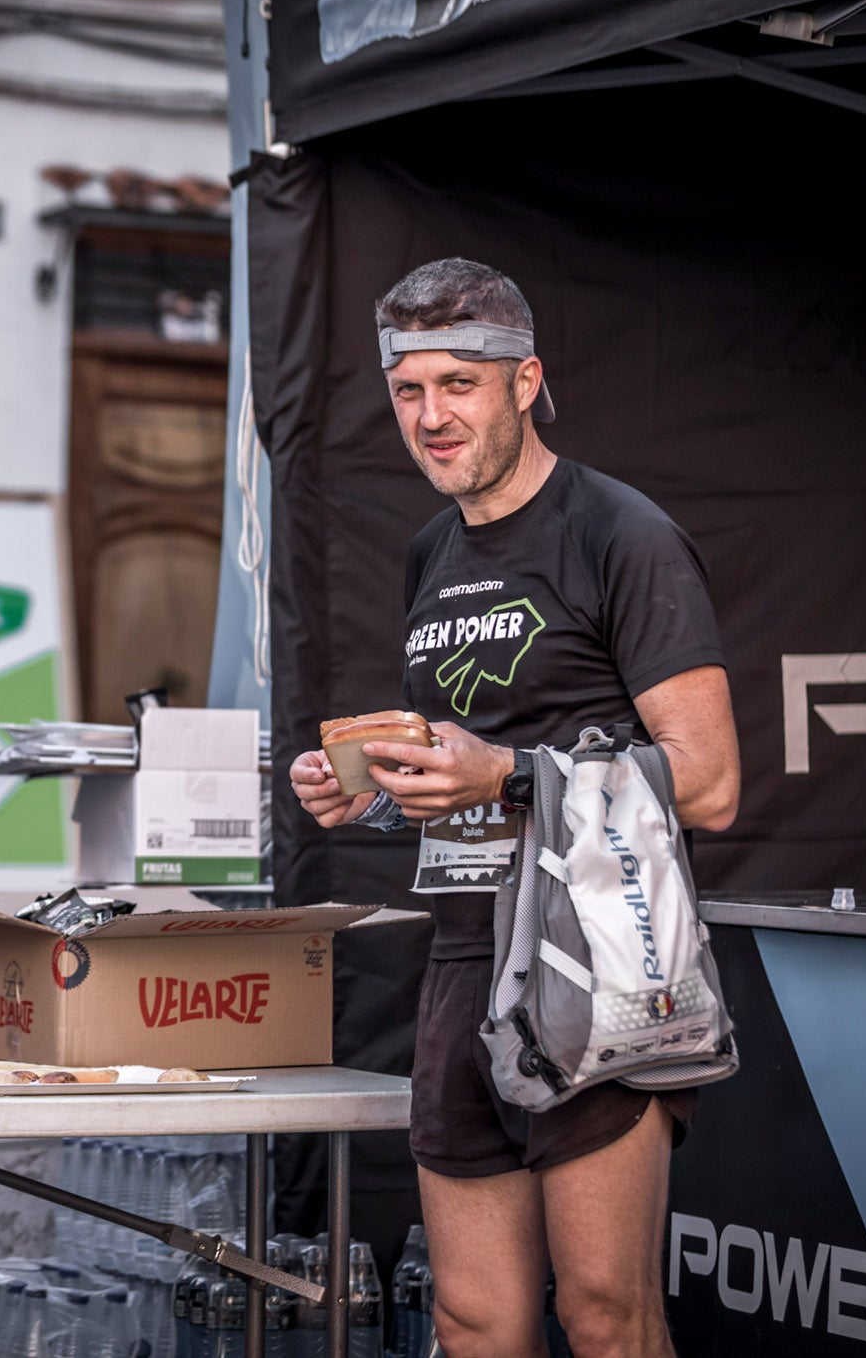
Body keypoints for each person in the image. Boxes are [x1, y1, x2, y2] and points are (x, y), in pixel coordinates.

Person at [288, 258, 739, 1358]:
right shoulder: (428, 554)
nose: (431, 417)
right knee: (472, 1318)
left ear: (523, 380)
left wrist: (504, 774)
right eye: (408, 391)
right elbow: (471, 775)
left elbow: (712, 783)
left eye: (459, 384)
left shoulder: (618, 532)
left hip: (598, 964)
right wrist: (379, 796)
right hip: (457, 958)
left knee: (602, 1313)